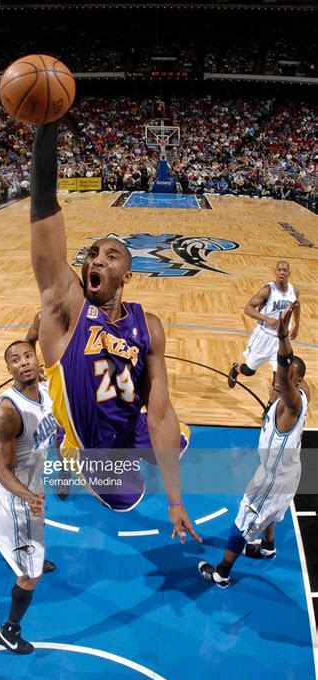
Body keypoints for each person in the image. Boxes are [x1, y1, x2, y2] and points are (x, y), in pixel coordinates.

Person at [29, 121, 201, 544]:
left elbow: (159, 411)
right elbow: (45, 206)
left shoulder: (149, 326)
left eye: (111, 255)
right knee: (128, 497)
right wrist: (47, 125)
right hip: (95, 447)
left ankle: (77, 434)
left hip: (129, 422)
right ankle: (63, 448)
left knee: (176, 441)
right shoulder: (66, 308)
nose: (97, 260)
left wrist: (176, 501)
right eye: (92, 254)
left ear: (128, 273)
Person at [199, 303, 309, 588]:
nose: (276, 382)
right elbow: (286, 377)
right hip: (290, 473)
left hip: (272, 479)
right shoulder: (302, 393)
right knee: (273, 512)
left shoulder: (292, 403)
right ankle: (268, 547)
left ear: (295, 382)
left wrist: (284, 338)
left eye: (283, 381)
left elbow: (284, 374)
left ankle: (222, 573)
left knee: (244, 519)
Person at [0, 340, 57, 654]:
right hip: (13, 500)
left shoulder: (48, 394)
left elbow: (57, 431)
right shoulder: (7, 412)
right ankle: (8, 630)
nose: (24, 362)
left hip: (30, 491)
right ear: (9, 369)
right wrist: (29, 496)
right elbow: (2, 469)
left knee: (34, 547)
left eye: (28, 355)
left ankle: (31, 555)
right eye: (15, 359)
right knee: (31, 575)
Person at [227, 261, 300, 414]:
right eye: (279, 269)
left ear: (289, 273)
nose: (281, 272)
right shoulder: (268, 290)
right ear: (275, 272)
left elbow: (297, 306)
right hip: (264, 337)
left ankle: (268, 408)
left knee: (279, 380)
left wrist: (296, 326)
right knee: (248, 370)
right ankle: (235, 369)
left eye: (284, 270)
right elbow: (247, 308)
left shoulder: (294, 291)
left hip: (281, 340)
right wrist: (266, 318)